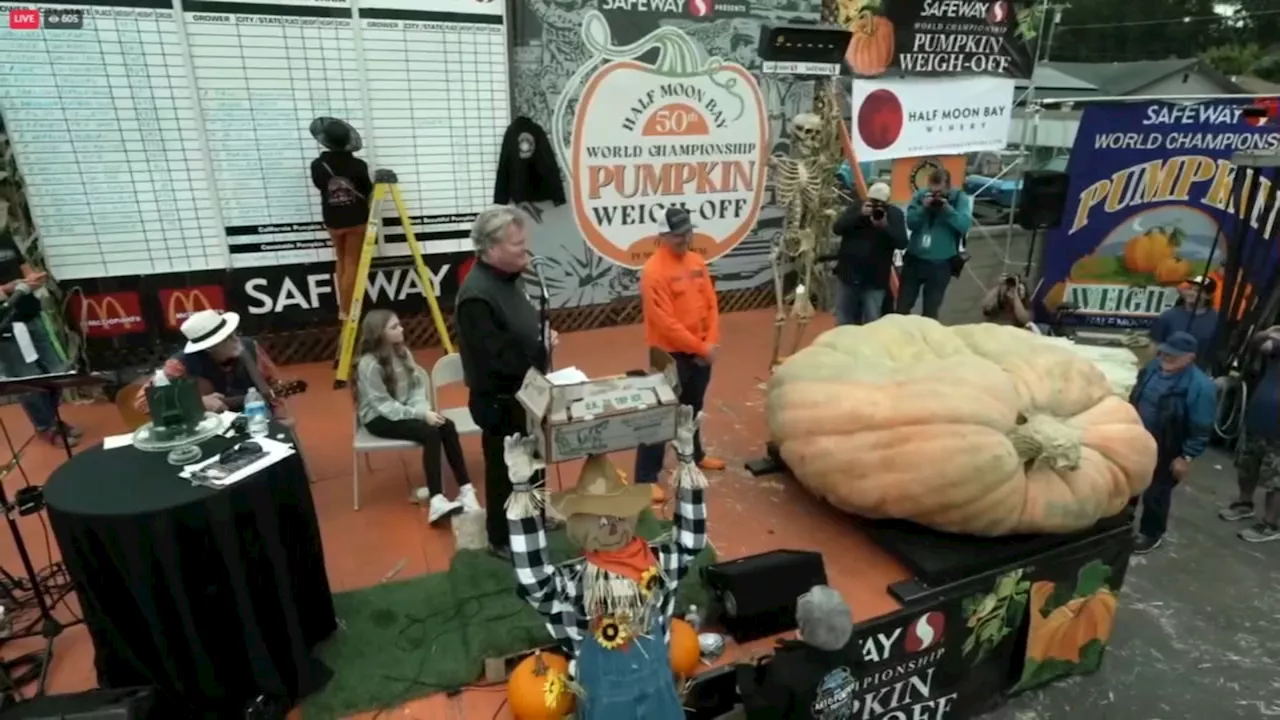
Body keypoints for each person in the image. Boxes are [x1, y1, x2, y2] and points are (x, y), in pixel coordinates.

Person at [454, 205, 554, 558]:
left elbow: (520, 330)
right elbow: (499, 358)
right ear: (491, 249)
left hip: (525, 393)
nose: (525, 249)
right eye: (517, 244)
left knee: (535, 459)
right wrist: (541, 351)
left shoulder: (511, 279)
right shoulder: (477, 296)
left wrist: (542, 338)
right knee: (503, 469)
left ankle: (536, 514)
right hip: (498, 400)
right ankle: (500, 537)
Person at [635, 207, 726, 504]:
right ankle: (646, 477)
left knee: (693, 407)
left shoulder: (697, 261)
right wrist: (702, 348)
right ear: (663, 236)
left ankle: (694, 454)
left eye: (688, 232)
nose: (686, 238)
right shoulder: (653, 272)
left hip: (700, 351)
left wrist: (710, 341)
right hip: (670, 354)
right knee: (662, 413)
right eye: (678, 235)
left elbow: (711, 303)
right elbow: (665, 323)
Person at [355, 310, 478, 524]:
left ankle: (466, 490)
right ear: (379, 334)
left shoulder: (403, 353)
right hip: (378, 418)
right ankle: (437, 499)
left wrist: (424, 411)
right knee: (430, 433)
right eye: (394, 327)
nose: (401, 329)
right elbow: (383, 405)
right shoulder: (369, 364)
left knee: (446, 426)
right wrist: (420, 415)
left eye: (399, 325)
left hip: (404, 409)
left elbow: (416, 389)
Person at [1127, 331, 1216, 554]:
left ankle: (1151, 533)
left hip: (1168, 447)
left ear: (1190, 358)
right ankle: (1122, 525)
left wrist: (1186, 456)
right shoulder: (1152, 368)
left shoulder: (1201, 387)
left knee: (1156, 493)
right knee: (1128, 485)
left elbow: (1201, 427)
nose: (1166, 358)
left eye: (1173, 355)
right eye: (1165, 352)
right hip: (1138, 438)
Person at [135, 309, 289, 421]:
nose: (236, 339)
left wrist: (280, 417)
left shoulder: (250, 347)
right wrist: (197, 403)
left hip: (255, 416)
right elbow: (143, 402)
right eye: (227, 338)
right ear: (209, 347)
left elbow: (273, 383)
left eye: (233, 333)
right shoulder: (179, 364)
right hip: (210, 425)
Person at [736, 585, 857, 719]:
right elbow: (820, 656)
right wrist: (785, 651)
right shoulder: (852, 646)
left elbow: (760, 714)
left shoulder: (783, 671)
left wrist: (744, 671)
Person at [0, 270, 81, 447]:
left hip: (32, 317)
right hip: (5, 327)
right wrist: (9, 289)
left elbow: (30, 271)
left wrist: (35, 279)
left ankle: (52, 419)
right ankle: (46, 427)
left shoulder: (5, 240)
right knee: (27, 381)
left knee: (56, 371)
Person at [1220, 324, 1280, 543]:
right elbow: (1258, 344)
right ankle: (1244, 504)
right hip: (1260, 419)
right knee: (1247, 465)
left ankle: (1270, 524)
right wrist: (1270, 331)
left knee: (1276, 479)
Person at [310, 118, 372, 320]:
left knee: (341, 259)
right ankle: (347, 309)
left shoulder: (318, 165)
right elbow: (367, 189)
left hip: (332, 219)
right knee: (352, 262)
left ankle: (343, 305)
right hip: (356, 219)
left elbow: (320, 186)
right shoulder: (358, 165)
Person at [825, 182, 907, 326]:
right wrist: (859, 215)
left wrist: (884, 226)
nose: (875, 206)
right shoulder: (857, 207)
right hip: (849, 275)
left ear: (887, 202)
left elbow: (902, 242)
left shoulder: (894, 214)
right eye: (872, 201)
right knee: (844, 320)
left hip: (875, 280)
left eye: (880, 203)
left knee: (872, 323)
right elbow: (837, 228)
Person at [898, 169, 972, 319]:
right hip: (915, 259)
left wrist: (947, 210)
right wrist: (923, 208)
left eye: (939, 193)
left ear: (947, 187)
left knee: (931, 310)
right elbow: (910, 223)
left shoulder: (959, 198)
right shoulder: (920, 196)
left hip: (941, 263)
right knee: (902, 307)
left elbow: (964, 225)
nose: (935, 196)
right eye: (932, 192)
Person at [1150, 275, 1220, 368]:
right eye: (1190, 288)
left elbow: (1217, 352)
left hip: (1198, 373)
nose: (1191, 293)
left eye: (1198, 291)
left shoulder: (1216, 320)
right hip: (1168, 371)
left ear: (1209, 296)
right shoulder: (1168, 316)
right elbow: (1155, 346)